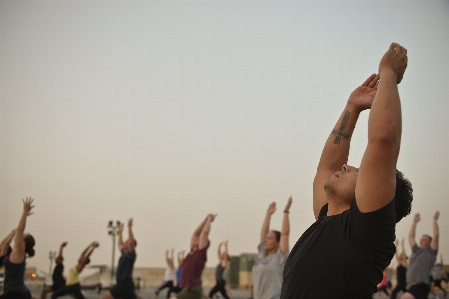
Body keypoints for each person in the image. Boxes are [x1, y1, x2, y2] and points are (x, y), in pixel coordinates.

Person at [281, 43, 413, 299]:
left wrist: (388, 74)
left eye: (360, 171)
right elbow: (328, 167)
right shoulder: (326, 219)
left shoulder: (367, 232)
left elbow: (383, 139)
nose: (346, 165)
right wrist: (352, 107)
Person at [170, 213, 217, 299]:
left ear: (203, 244)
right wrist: (205, 220)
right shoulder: (192, 252)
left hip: (193, 289)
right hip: (187, 289)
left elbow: (204, 233)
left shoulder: (200, 253)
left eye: (199, 239)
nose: (196, 238)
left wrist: (209, 219)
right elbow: (195, 233)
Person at [253, 197, 291, 299]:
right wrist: (268, 215)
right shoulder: (262, 255)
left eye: (269, 238)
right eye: (266, 238)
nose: (265, 240)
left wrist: (286, 211)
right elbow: (263, 234)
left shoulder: (280, 258)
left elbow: (285, 234)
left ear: (278, 243)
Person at [0, 197, 36, 299]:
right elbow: (4, 244)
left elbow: (20, 230)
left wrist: (24, 212)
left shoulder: (20, 253)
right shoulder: (15, 253)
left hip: (16, 293)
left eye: (23, 235)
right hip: (14, 291)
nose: (20, 234)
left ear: (23, 242)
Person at [401, 212, 440, 299]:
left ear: (430, 243)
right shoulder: (416, 251)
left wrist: (434, 220)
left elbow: (436, 236)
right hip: (411, 286)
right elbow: (411, 237)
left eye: (424, 240)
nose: (421, 241)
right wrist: (414, 222)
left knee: (405, 297)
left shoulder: (430, 252)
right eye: (421, 239)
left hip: (421, 285)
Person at [102, 218, 138, 299]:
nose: (125, 242)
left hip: (124, 284)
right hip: (124, 285)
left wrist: (129, 228)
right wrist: (120, 232)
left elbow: (131, 243)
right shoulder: (124, 253)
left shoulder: (131, 254)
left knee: (106, 297)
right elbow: (119, 245)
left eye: (127, 241)